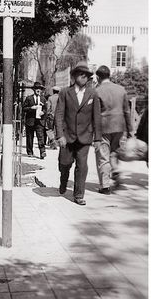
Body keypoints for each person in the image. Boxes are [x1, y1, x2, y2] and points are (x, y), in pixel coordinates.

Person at [55, 61, 102, 205]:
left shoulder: (92, 94)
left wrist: (98, 138)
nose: (84, 77)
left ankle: (78, 195)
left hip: (85, 136)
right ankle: (64, 179)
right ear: (74, 76)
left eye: (86, 75)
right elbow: (59, 114)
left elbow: (97, 117)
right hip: (67, 136)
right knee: (65, 163)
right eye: (81, 75)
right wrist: (60, 135)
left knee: (82, 165)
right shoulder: (65, 93)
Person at [95, 65, 133, 193]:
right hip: (119, 126)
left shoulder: (97, 91)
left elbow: (93, 113)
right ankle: (115, 168)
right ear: (109, 75)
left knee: (103, 156)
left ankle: (105, 186)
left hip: (103, 127)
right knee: (114, 152)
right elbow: (127, 111)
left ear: (98, 77)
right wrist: (130, 130)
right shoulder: (121, 89)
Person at [22, 81, 47, 159]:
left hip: (39, 121)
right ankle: (30, 151)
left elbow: (46, 109)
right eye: (36, 89)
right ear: (34, 90)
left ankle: (42, 152)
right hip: (30, 120)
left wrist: (43, 112)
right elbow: (23, 108)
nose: (38, 90)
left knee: (41, 136)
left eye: (39, 89)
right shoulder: (29, 98)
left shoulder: (43, 99)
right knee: (30, 137)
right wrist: (31, 108)